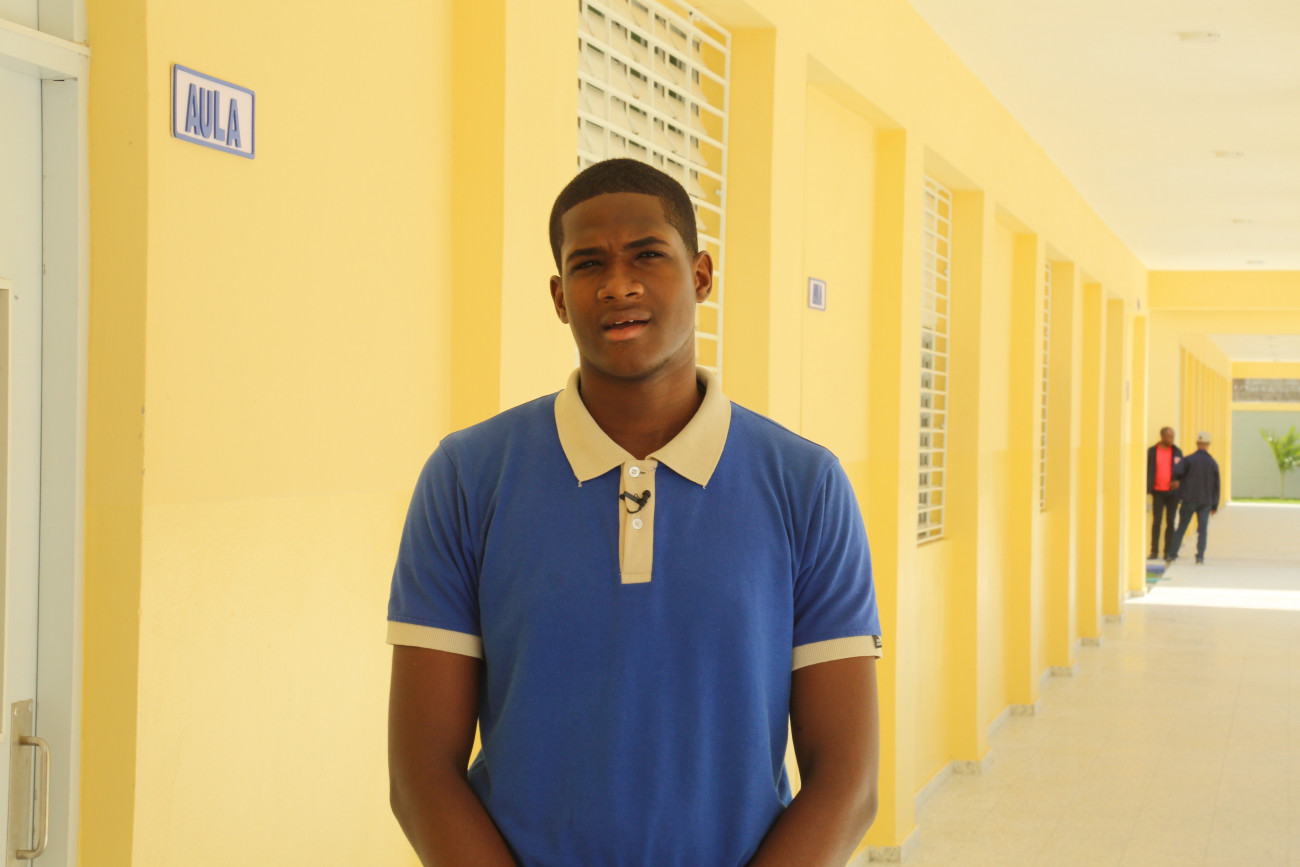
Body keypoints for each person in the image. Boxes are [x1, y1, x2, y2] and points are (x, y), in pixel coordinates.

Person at [386, 158, 882, 867]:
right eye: (588, 263)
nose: (617, 284)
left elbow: (847, 782)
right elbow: (421, 776)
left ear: (701, 275)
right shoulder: (468, 477)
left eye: (648, 254)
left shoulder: (806, 485)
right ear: (560, 298)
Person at [1167, 431, 1220, 566]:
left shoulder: (1189, 460)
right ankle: (1200, 557)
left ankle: (1172, 555)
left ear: (1197, 443)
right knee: (1202, 530)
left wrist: (1179, 480)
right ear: (1208, 444)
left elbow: (1177, 471)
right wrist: (1215, 505)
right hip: (1206, 501)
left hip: (1189, 498)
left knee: (1182, 527)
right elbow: (1216, 486)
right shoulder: (1213, 463)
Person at [1146, 427, 1183, 560]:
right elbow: (1147, 470)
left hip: (1172, 493)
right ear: (1162, 437)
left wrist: (1178, 481)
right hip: (1158, 492)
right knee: (1157, 522)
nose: (1172, 439)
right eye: (1169, 437)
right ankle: (1154, 551)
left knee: (1170, 522)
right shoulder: (1152, 452)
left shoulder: (1177, 452)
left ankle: (1168, 551)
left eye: (1173, 437)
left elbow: (1182, 471)